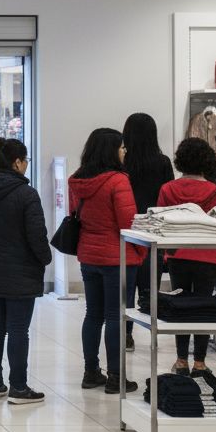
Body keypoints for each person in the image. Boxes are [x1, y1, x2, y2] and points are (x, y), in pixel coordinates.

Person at [0, 139, 50, 405]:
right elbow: (37, 235)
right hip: (21, 271)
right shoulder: (27, 194)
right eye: (25, 160)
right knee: (18, 329)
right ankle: (18, 387)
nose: (26, 165)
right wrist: (44, 258)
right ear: (17, 162)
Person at [71, 127, 142, 395]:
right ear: (111, 150)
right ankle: (116, 376)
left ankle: (91, 372)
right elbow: (128, 223)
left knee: (93, 315)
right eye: (121, 147)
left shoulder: (78, 181)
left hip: (88, 255)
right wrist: (140, 252)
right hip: (117, 257)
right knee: (115, 317)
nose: (125, 151)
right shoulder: (118, 181)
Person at [158, 137, 216, 376]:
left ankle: (180, 360)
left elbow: (161, 222)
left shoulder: (168, 189)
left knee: (181, 305)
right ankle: (199, 362)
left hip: (178, 253)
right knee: (203, 307)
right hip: (208, 255)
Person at [121, 113, 174, 352]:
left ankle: (126, 334)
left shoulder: (122, 162)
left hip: (126, 228)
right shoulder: (162, 162)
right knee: (149, 287)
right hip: (152, 229)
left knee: (125, 286)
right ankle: (153, 330)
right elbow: (168, 200)